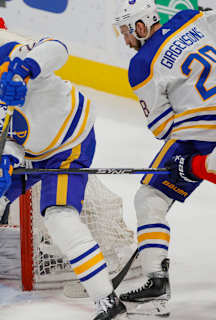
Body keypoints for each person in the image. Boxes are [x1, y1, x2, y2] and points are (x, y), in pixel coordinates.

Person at [0, 35, 127, 320]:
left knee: (59, 217)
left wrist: (22, 70)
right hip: (29, 155)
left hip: (69, 144)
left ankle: (106, 299)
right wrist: (2, 164)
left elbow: (58, 47)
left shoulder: (9, 55)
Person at [113, 0, 216, 316]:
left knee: (150, 197)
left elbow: (162, 128)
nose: (125, 40)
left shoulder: (142, 62)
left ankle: (156, 280)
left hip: (198, 136)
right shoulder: (191, 18)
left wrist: (191, 164)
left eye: (126, 32)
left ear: (141, 27)